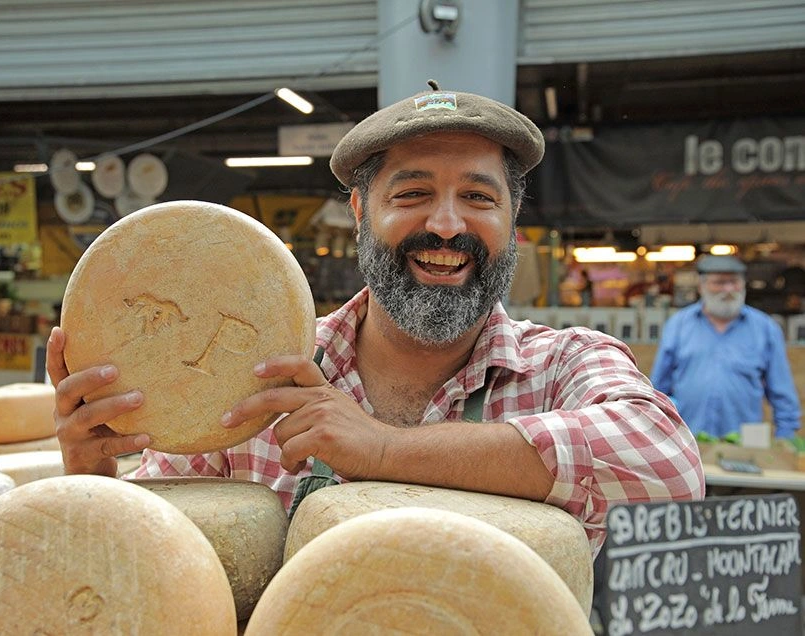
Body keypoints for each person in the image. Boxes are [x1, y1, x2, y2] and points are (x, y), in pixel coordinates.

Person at [47, 81, 704, 557]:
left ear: (511, 220)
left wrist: (382, 450)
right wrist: (96, 484)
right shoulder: (251, 373)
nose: (445, 224)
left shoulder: (563, 365)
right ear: (361, 212)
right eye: (412, 193)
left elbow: (669, 466)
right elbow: (158, 560)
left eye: (478, 197)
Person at [650, 254, 801, 439]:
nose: (728, 289)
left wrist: (785, 436)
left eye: (734, 282)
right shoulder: (678, 325)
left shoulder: (765, 328)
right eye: (719, 283)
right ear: (701, 287)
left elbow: (782, 391)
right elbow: (659, 388)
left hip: (744, 441)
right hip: (688, 439)